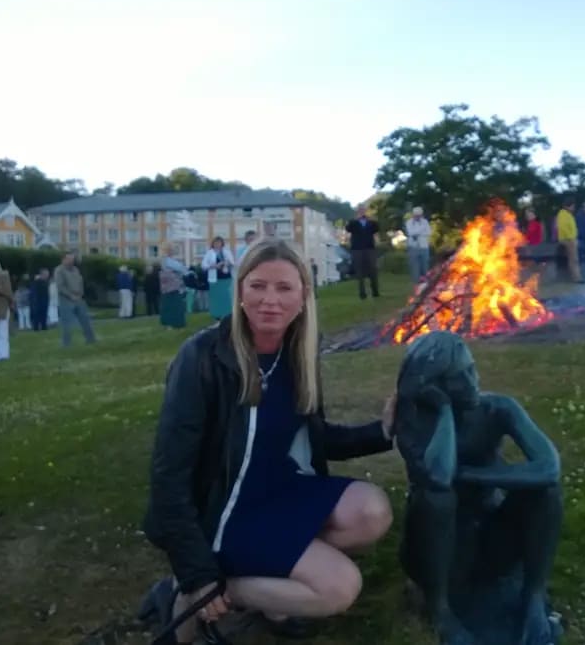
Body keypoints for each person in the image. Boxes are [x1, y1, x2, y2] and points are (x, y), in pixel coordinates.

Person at [140, 238, 396, 644]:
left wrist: (382, 431)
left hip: (277, 488)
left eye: (284, 287)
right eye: (257, 286)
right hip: (224, 508)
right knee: (339, 587)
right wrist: (197, 573)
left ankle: (256, 583)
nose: (270, 300)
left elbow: (316, 437)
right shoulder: (203, 357)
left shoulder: (297, 350)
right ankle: (207, 592)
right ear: (240, 290)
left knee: (371, 511)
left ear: (303, 295)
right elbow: (169, 475)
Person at [53, 251, 96, 346]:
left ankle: (91, 339)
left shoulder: (76, 269)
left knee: (85, 320)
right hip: (66, 300)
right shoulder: (59, 270)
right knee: (66, 323)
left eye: (72, 259)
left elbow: (80, 282)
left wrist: (81, 294)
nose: (71, 261)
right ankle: (66, 343)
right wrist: (71, 295)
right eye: (69, 259)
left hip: (79, 298)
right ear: (63, 260)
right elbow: (60, 286)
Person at [344, 205, 380, 300]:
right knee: (359, 271)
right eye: (360, 210)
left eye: (363, 210)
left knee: (373, 269)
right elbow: (348, 229)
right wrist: (355, 219)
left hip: (369, 248)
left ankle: (375, 292)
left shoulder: (370, 222)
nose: (362, 212)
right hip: (357, 249)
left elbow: (376, 229)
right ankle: (362, 293)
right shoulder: (353, 222)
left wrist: (371, 219)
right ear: (357, 211)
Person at [202, 236, 237, 321]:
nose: (217, 244)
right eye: (216, 242)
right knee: (215, 297)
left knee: (225, 296)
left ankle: (227, 314)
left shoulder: (226, 252)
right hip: (214, 279)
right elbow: (204, 265)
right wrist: (214, 266)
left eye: (219, 242)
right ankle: (216, 315)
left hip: (226, 277)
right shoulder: (209, 253)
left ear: (222, 243)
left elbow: (233, 263)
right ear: (213, 244)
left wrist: (227, 263)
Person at [159, 249, 189, 330]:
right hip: (173, 287)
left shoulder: (165, 260)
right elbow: (181, 269)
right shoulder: (168, 261)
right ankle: (174, 323)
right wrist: (185, 271)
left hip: (168, 287)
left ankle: (170, 324)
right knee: (174, 305)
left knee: (169, 305)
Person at [554, 201, 581, 283]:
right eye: (572, 206)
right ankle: (577, 278)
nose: (573, 208)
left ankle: (576, 277)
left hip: (570, 239)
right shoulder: (563, 215)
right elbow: (563, 228)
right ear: (567, 206)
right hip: (568, 240)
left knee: (573, 259)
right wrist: (571, 238)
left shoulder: (568, 215)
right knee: (574, 259)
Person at [405, 206, 431, 283]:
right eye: (416, 215)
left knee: (425, 266)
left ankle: (425, 283)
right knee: (415, 267)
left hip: (424, 247)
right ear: (413, 215)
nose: (417, 217)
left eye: (419, 215)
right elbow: (410, 233)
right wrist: (422, 230)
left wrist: (417, 233)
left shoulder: (425, 222)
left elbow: (428, 232)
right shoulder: (409, 222)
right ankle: (416, 283)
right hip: (413, 247)